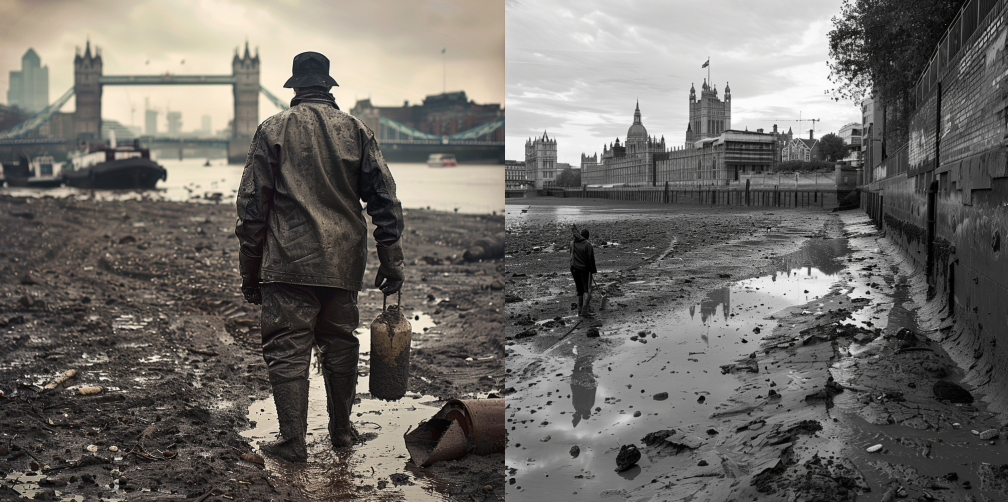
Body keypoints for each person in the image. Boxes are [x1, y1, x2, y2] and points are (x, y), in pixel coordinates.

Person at [235, 51, 405, 463]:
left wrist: (250, 271)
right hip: (343, 264)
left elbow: (252, 207)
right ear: (329, 87)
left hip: (287, 263)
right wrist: (391, 258)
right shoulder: (357, 131)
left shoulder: (271, 130)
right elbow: (384, 199)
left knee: (287, 349)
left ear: (294, 89)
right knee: (340, 344)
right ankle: (342, 434)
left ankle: (293, 442)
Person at [570, 223, 597, 316]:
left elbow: (571, 256)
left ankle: (579, 310)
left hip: (574, 268)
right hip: (584, 270)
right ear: (588, 237)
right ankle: (585, 310)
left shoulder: (572, 242)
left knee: (579, 290)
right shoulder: (587, 244)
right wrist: (592, 270)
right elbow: (591, 259)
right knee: (587, 290)